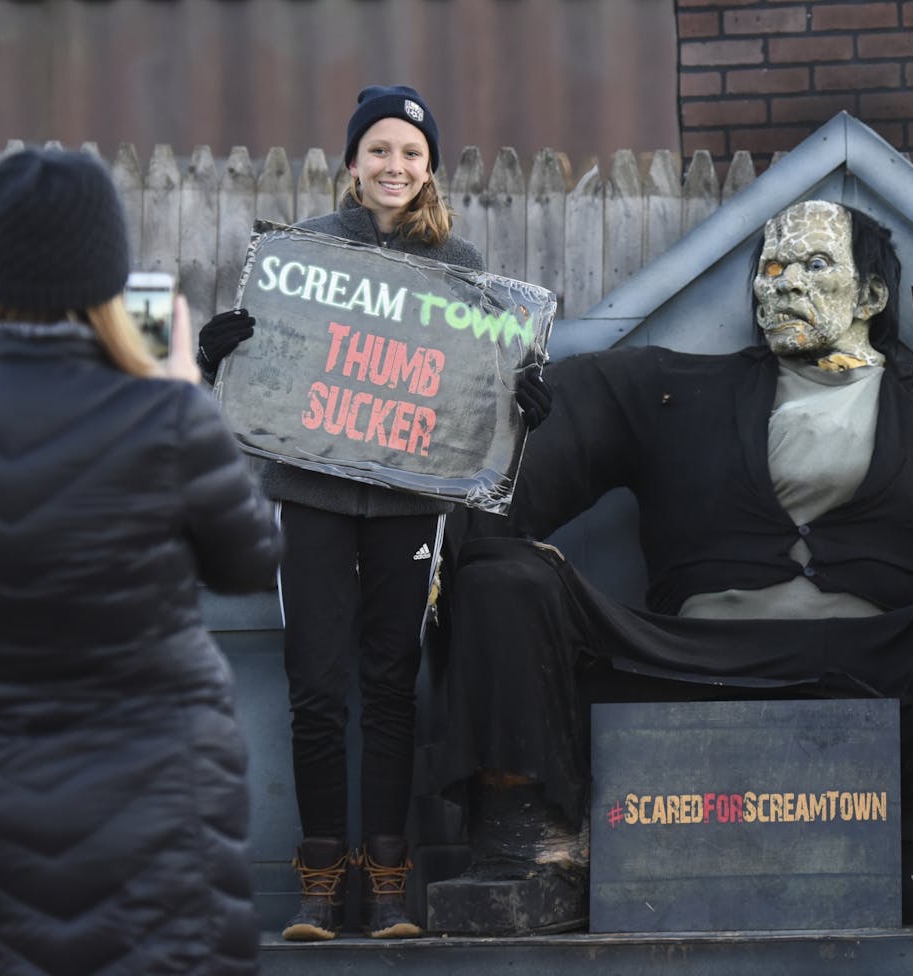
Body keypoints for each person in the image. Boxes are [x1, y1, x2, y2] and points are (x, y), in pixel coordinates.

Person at [429, 199, 913, 935]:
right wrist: (513, 413)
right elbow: (508, 480)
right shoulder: (672, 390)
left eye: (816, 265)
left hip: (885, 656)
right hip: (680, 657)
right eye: (773, 267)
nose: (785, 284)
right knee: (501, 577)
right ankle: (525, 852)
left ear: (873, 296)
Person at [0, 148, 284, 975]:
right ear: (107, 280)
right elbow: (249, 563)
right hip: (158, 785)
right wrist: (178, 383)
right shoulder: (166, 416)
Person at [197, 84, 547, 942]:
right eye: (380, 150)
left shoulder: (461, 266)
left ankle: (387, 889)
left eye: (412, 154)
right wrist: (224, 354)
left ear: (431, 170)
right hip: (311, 495)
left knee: (391, 686)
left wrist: (526, 398)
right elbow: (267, 378)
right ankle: (321, 887)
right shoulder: (301, 257)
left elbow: (477, 389)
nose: (395, 166)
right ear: (351, 163)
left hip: (409, 500)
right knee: (316, 688)